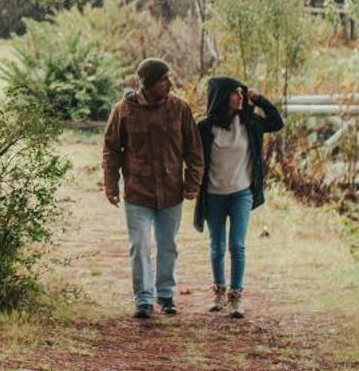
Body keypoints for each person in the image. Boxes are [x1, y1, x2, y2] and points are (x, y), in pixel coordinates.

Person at [102, 58, 203, 319]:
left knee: (168, 245)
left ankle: (166, 294)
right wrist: (111, 184)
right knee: (140, 245)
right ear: (147, 85)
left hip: (171, 192)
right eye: (163, 80)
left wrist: (193, 183)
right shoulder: (123, 110)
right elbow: (111, 150)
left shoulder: (180, 109)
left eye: (169, 79)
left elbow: (194, 149)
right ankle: (144, 299)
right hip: (138, 192)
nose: (169, 84)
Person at [191, 77, 285, 319]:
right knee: (217, 246)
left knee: (237, 246)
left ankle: (236, 297)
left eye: (241, 92)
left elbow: (277, 122)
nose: (240, 96)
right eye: (234, 93)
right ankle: (219, 292)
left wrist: (259, 99)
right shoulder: (204, 127)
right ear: (222, 97)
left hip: (242, 193)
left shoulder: (250, 123)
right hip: (213, 195)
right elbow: (190, 153)